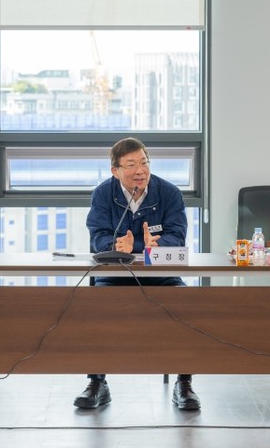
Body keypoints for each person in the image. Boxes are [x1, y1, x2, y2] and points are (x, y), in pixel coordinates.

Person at [76, 137, 200, 411]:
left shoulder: (169, 193)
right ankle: (97, 383)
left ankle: (184, 383)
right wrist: (116, 245)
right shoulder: (103, 194)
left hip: (161, 276)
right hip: (115, 275)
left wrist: (153, 245)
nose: (140, 171)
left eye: (144, 163)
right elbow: (98, 236)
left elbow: (177, 235)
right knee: (95, 305)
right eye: (131, 165)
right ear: (115, 171)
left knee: (185, 303)